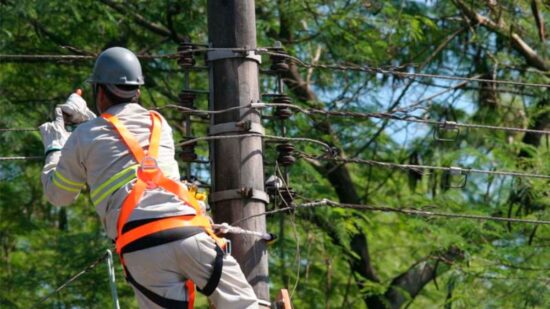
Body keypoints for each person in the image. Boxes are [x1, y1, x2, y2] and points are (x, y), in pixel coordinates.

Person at [39, 47, 259, 309]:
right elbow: (118, 136)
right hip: (188, 232)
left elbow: (60, 195)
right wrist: (88, 120)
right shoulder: (160, 123)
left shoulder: (83, 137)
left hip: (142, 248)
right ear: (138, 91)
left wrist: (56, 146)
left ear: (99, 91)